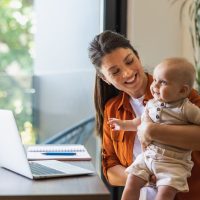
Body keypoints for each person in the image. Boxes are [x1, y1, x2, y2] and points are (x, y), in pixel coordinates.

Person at [88, 30, 200, 200]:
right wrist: (143, 177)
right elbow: (109, 168)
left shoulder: (181, 94)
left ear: (137, 57)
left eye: (129, 61)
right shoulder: (112, 109)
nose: (127, 73)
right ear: (105, 78)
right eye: (115, 72)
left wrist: (151, 131)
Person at [108, 58, 200, 200]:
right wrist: (123, 124)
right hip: (148, 157)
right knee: (131, 182)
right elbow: (140, 122)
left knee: (165, 193)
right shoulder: (152, 104)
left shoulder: (187, 108)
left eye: (163, 82)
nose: (155, 86)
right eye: (155, 80)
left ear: (182, 90)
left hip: (174, 163)